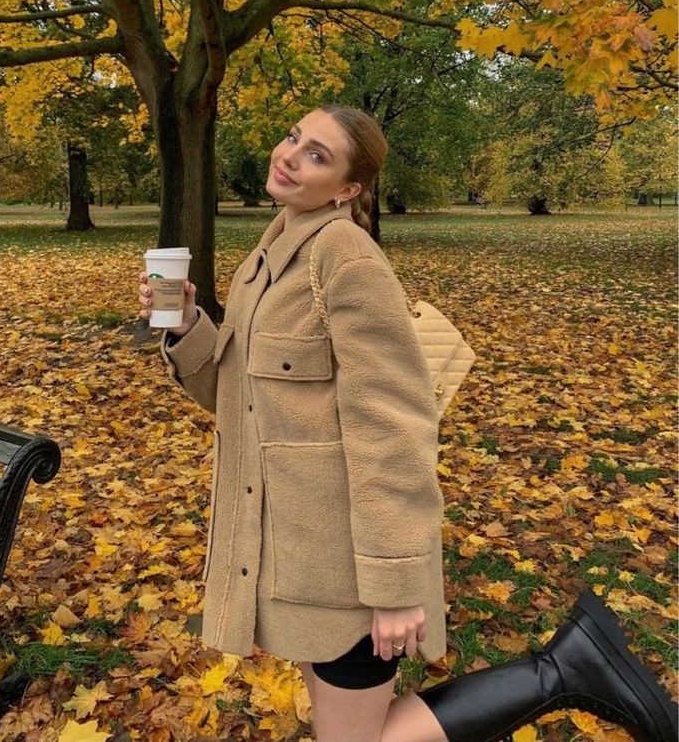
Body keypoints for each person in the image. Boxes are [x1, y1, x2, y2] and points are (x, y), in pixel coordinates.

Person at [138, 105, 677, 742]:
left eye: (318, 155)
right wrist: (184, 327)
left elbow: (393, 427)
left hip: (346, 565)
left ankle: (561, 672)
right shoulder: (274, 250)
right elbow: (240, 398)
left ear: (347, 188)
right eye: (294, 138)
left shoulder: (345, 257)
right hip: (294, 554)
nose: (290, 155)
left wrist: (394, 586)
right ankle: (566, 667)